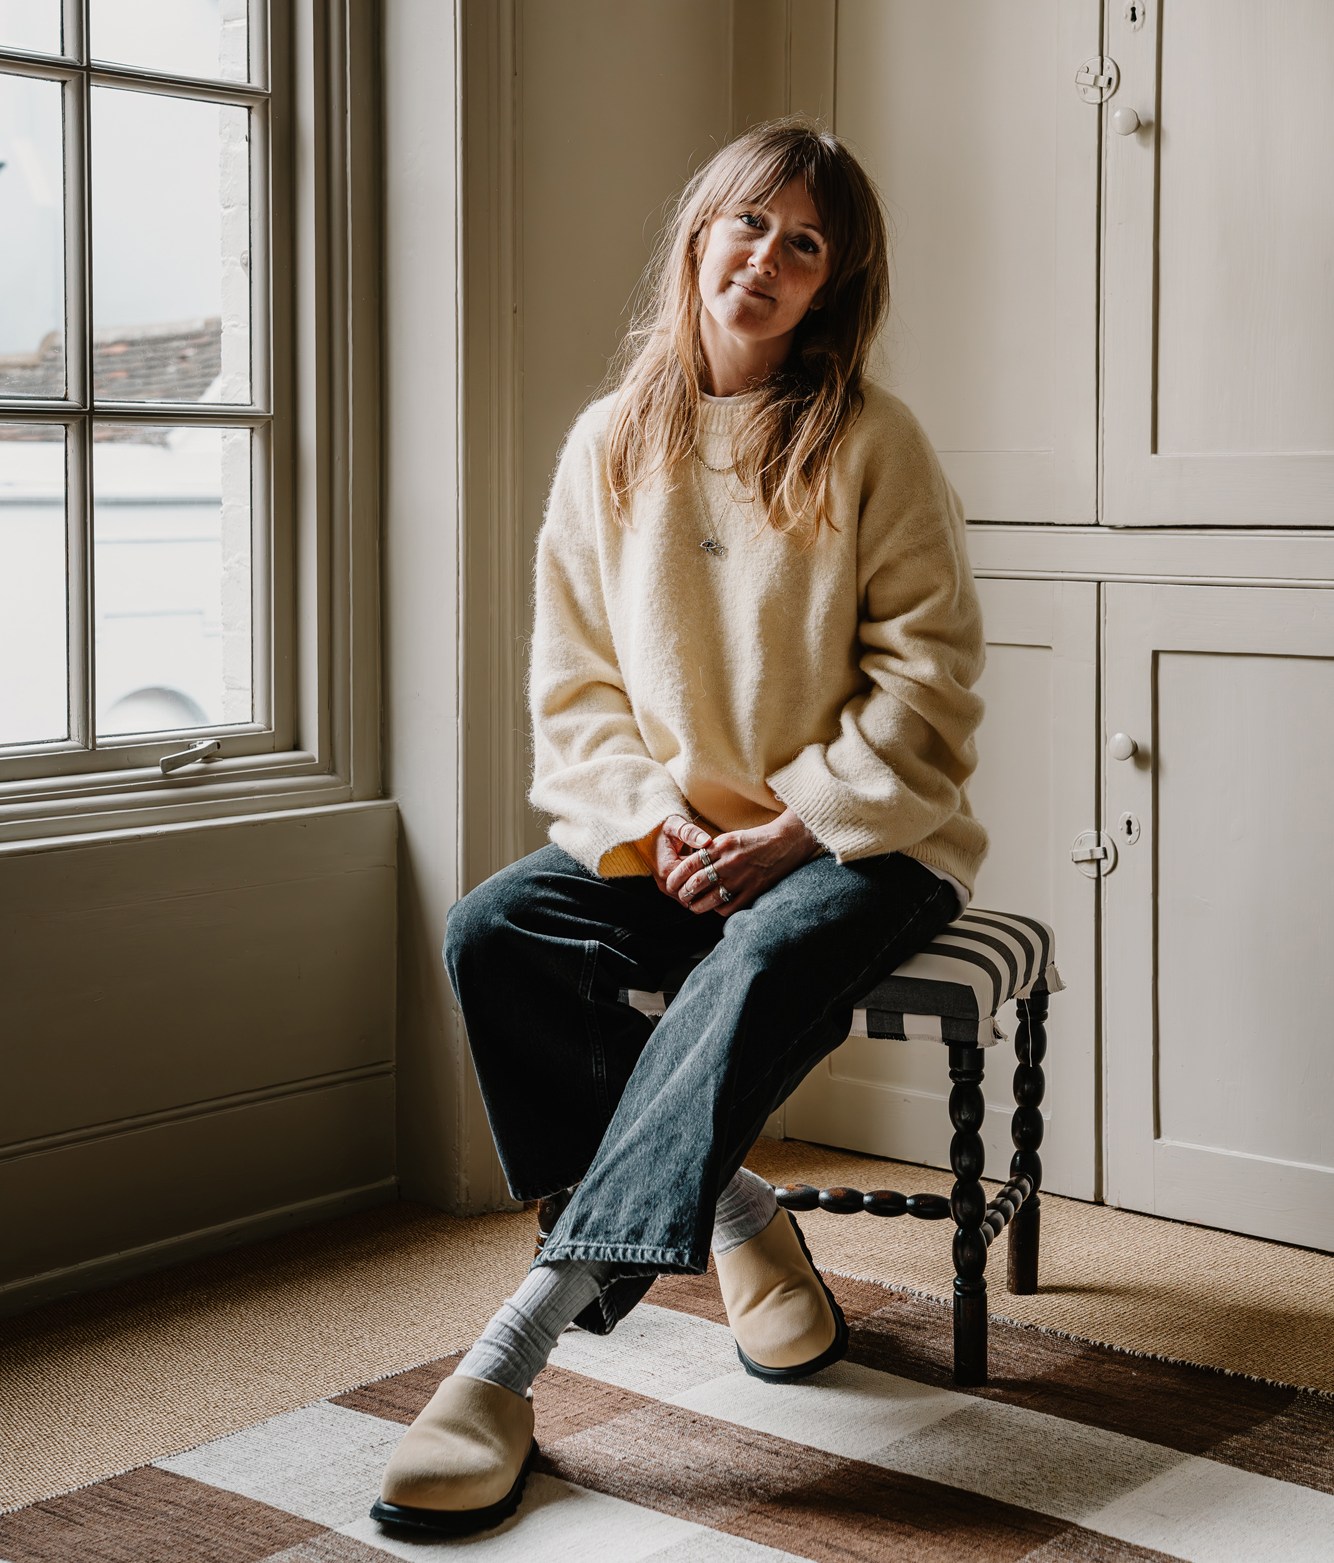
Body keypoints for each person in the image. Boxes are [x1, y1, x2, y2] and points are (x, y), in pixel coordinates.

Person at [371, 117, 988, 1538]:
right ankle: (737, 1217)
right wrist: (657, 830)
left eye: (805, 243)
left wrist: (795, 825)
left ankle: (505, 1360)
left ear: (832, 283)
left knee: (753, 969)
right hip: (680, 839)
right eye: (746, 226)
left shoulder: (872, 443)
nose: (766, 258)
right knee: (496, 925)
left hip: (864, 847)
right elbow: (575, 692)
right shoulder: (608, 444)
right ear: (698, 239)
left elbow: (931, 680)